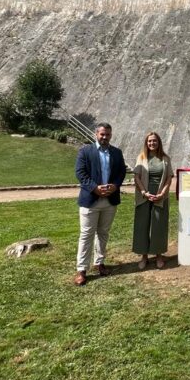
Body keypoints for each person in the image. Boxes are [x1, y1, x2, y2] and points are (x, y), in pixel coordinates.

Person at [74, 122, 126, 286]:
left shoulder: (116, 152)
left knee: (103, 233)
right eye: (102, 134)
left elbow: (121, 172)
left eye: (107, 134)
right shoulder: (85, 151)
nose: (105, 137)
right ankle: (82, 270)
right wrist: (94, 188)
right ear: (96, 134)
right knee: (86, 235)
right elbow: (80, 173)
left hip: (110, 200)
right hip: (90, 200)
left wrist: (115, 186)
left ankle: (99, 263)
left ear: (111, 135)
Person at [132, 132, 174, 270]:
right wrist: (144, 192)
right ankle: (144, 256)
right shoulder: (141, 157)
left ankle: (159, 255)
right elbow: (137, 177)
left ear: (159, 142)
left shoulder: (165, 159)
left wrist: (162, 194)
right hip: (144, 196)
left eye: (154, 141)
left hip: (160, 197)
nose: (152, 143)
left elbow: (169, 178)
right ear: (146, 143)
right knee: (142, 226)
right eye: (149, 141)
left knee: (159, 226)